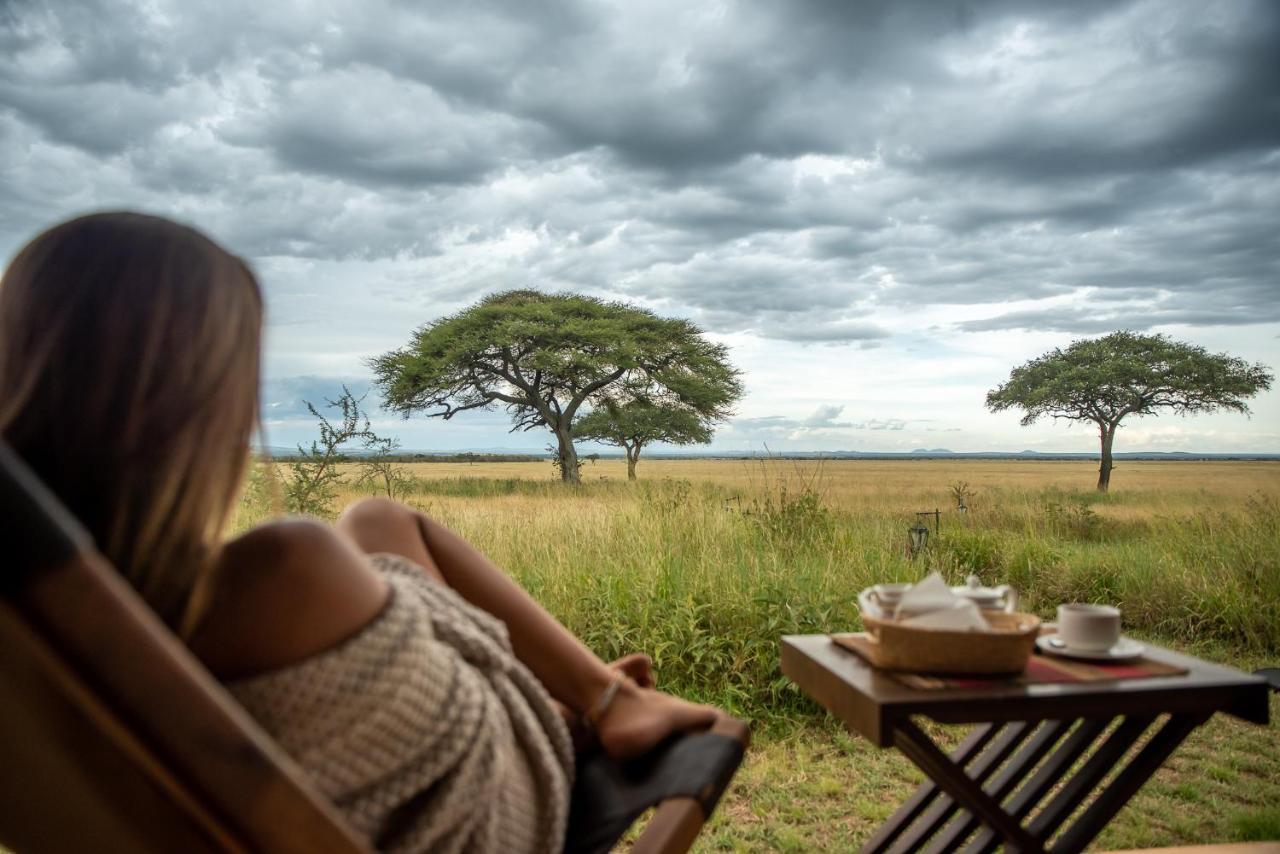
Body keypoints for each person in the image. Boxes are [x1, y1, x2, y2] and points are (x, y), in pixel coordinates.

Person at [0, 212, 721, 852]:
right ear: (201, 403)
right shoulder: (283, 571)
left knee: (375, 519)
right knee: (382, 528)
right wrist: (544, 703)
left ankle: (598, 699)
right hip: (487, 817)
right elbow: (463, 690)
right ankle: (600, 700)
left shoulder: (39, 634)